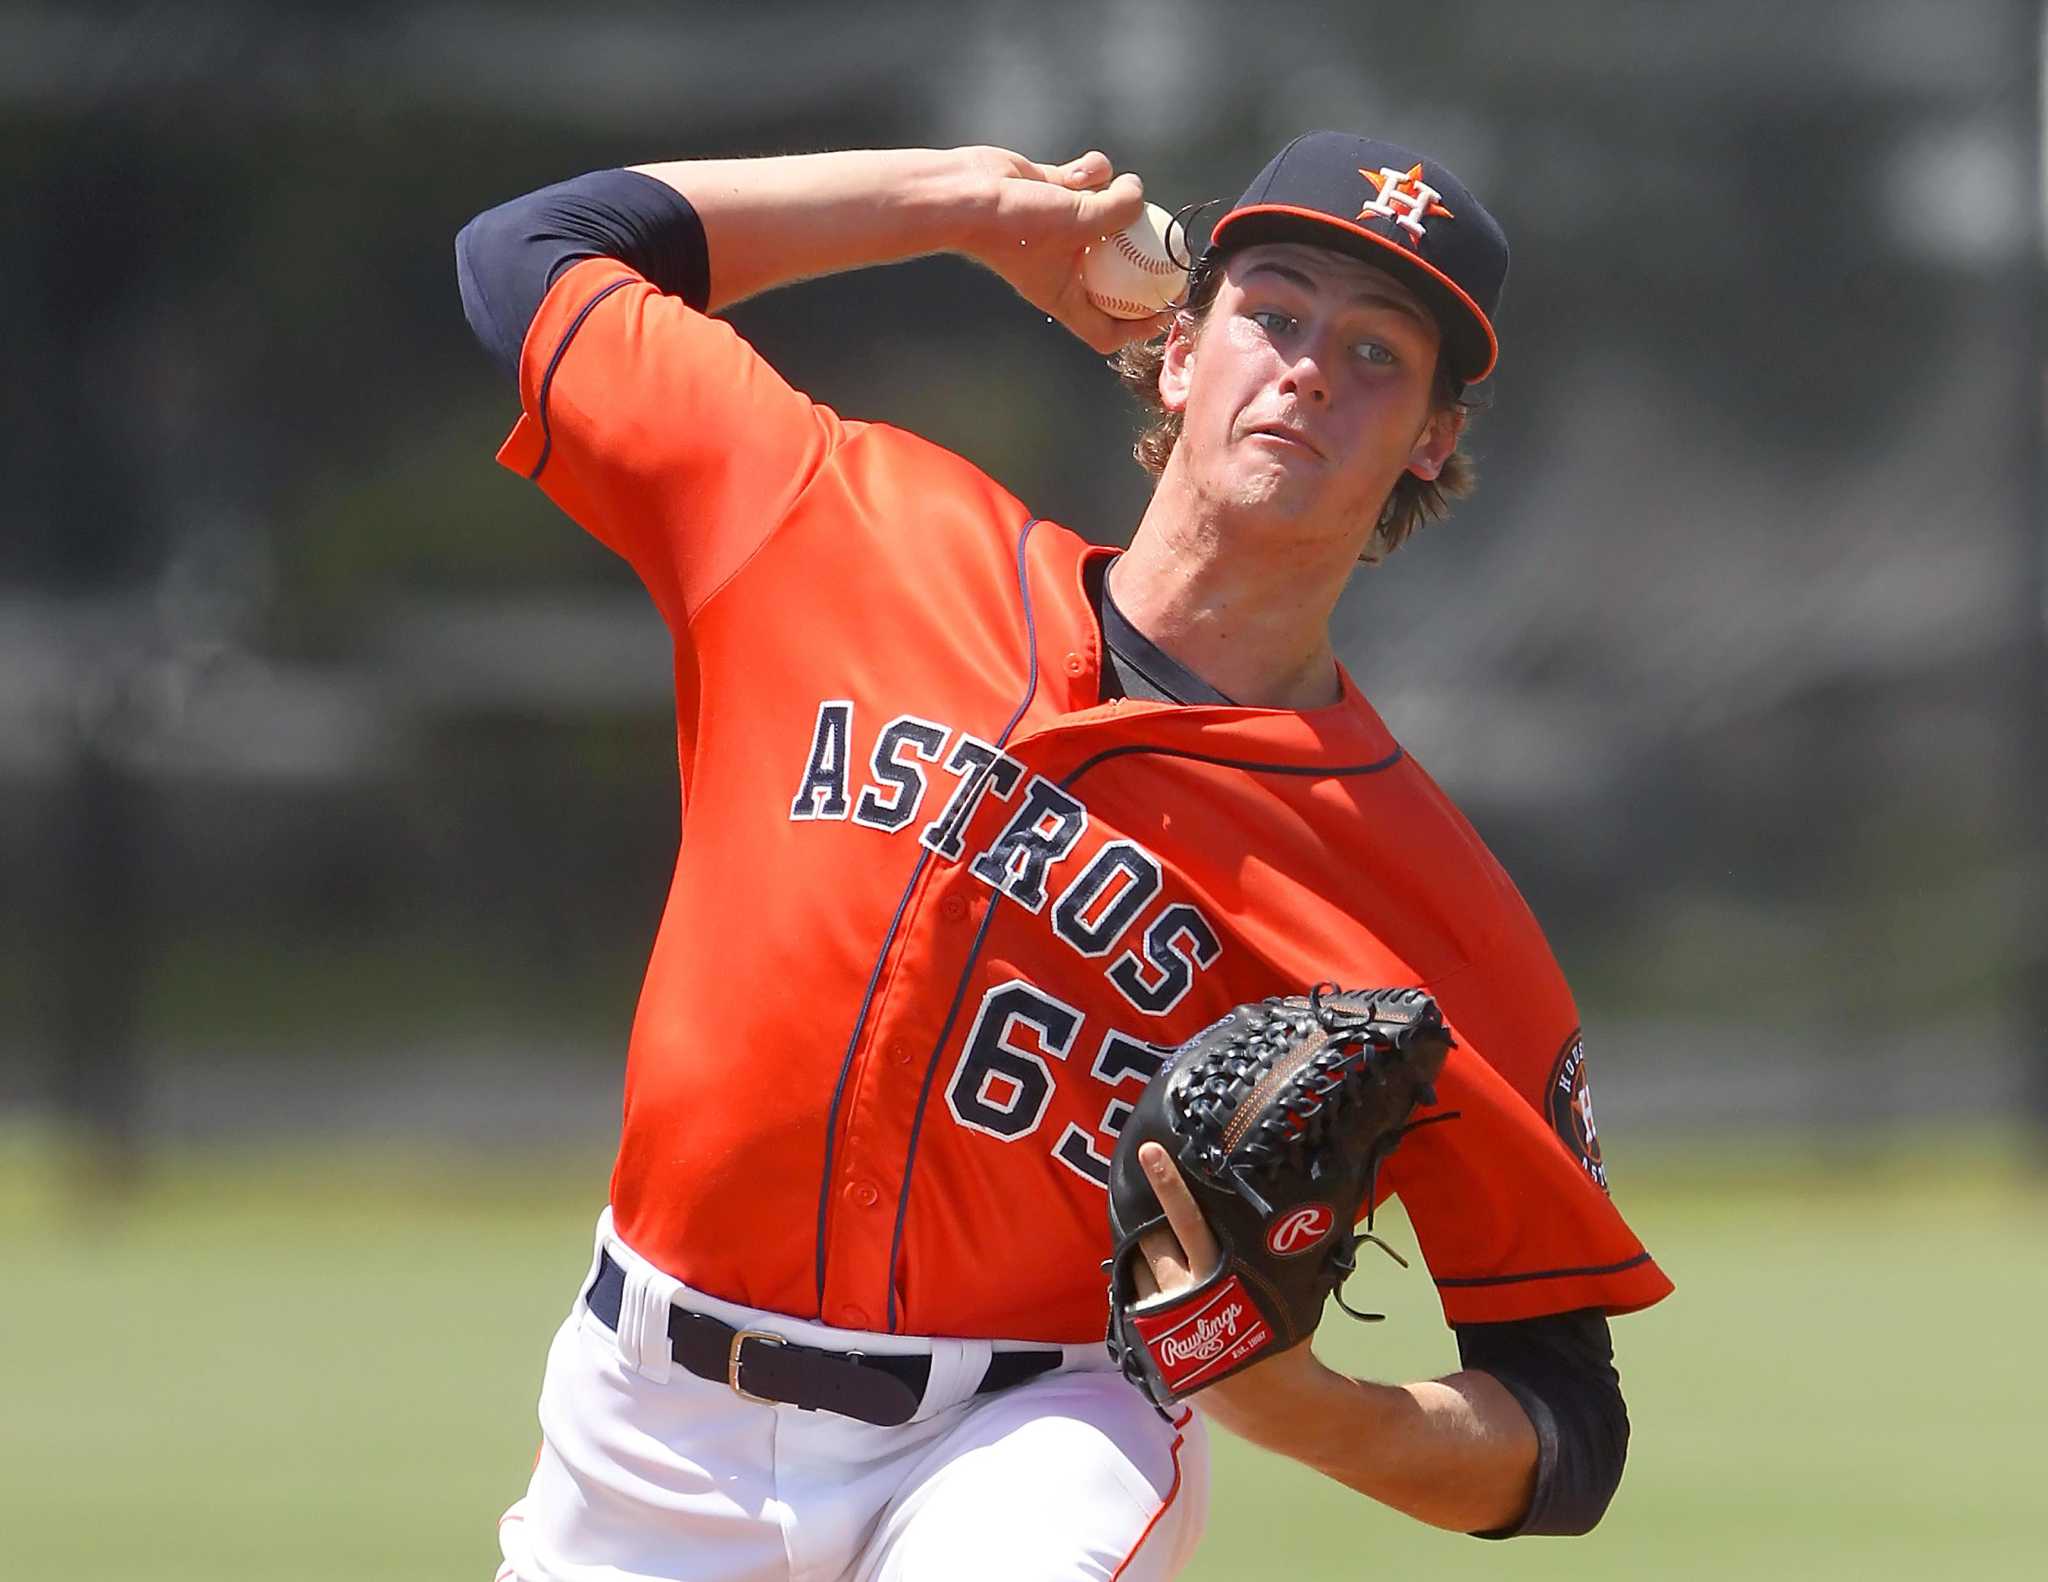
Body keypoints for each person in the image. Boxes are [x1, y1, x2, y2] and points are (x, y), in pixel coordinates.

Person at [455, 130, 1672, 1582]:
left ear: (1431, 441)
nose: (1305, 370)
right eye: (1271, 313)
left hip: (1034, 1430)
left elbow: (1564, 1426)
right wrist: (950, 207)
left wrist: (1301, 1404)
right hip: (644, 1412)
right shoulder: (836, 524)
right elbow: (530, 255)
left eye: (1376, 356)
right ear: (1177, 353)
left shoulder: (1424, 899)